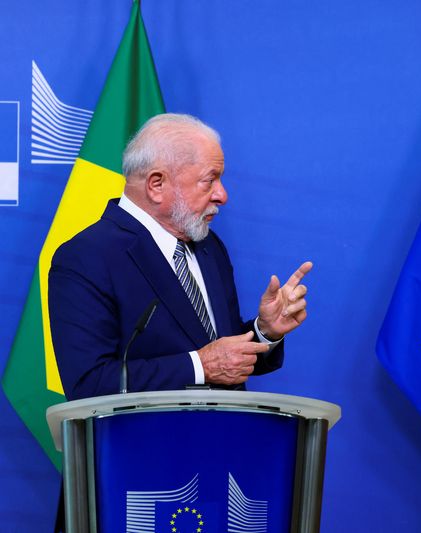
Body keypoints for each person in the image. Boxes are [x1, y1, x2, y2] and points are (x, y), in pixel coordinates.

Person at [49, 113, 312, 401]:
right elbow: (89, 383)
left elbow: (223, 354)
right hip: (145, 442)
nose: (222, 195)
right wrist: (200, 366)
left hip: (228, 436)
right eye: (209, 180)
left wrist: (265, 331)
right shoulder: (86, 257)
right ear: (157, 185)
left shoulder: (210, 246)